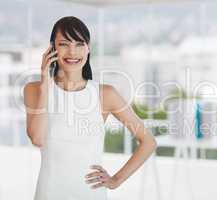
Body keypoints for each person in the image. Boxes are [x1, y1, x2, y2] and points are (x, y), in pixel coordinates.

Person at [23, 16, 157, 199]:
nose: (72, 51)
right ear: (52, 48)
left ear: (88, 48)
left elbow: (148, 141)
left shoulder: (106, 94)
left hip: (90, 194)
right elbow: (37, 138)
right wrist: (46, 85)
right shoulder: (34, 90)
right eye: (64, 44)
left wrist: (116, 180)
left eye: (79, 44)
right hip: (49, 192)